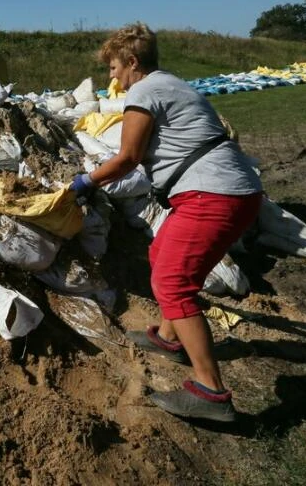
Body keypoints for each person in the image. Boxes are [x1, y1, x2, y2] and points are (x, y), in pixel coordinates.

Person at [70, 23, 262, 422]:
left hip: (213, 194)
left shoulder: (144, 90)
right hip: (232, 191)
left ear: (132, 62)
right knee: (161, 253)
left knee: (174, 282)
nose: (112, 76)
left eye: (113, 67)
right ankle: (169, 338)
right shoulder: (172, 83)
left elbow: (128, 156)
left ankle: (212, 393)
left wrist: (86, 181)